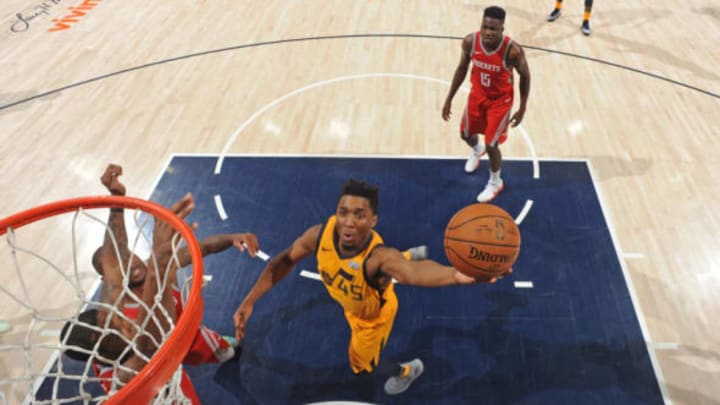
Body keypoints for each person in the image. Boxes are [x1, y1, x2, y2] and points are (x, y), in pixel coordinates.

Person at [233, 179, 508, 395]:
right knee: (394, 262)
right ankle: (408, 252)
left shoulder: (379, 258)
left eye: (360, 215)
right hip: (356, 299)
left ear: (373, 220)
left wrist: (456, 275)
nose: (349, 222)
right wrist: (249, 301)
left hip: (372, 318)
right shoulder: (320, 235)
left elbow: (411, 275)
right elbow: (281, 263)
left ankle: (406, 371)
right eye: (343, 212)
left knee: (362, 367)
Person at [61, 165, 260, 402]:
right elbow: (149, 346)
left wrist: (117, 201)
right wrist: (160, 259)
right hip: (165, 376)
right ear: (100, 353)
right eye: (117, 330)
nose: (130, 264)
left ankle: (221, 349)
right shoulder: (117, 374)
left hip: (186, 334)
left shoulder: (115, 311)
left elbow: (202, 247)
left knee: (224, 351)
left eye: (129, 256)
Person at [442, 5, 531, 203]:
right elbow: (462, 68)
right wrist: (449, 98)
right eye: (485, 27)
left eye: (493, 29)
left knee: (492, 144)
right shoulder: (470, 42)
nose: (488, 32)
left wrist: (522, 107)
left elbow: (525, 76)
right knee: (465, 134)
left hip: (500, 102)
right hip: (477, 95)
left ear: (502, 29)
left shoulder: (513, 51)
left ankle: (495, 182)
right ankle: (476, 150)